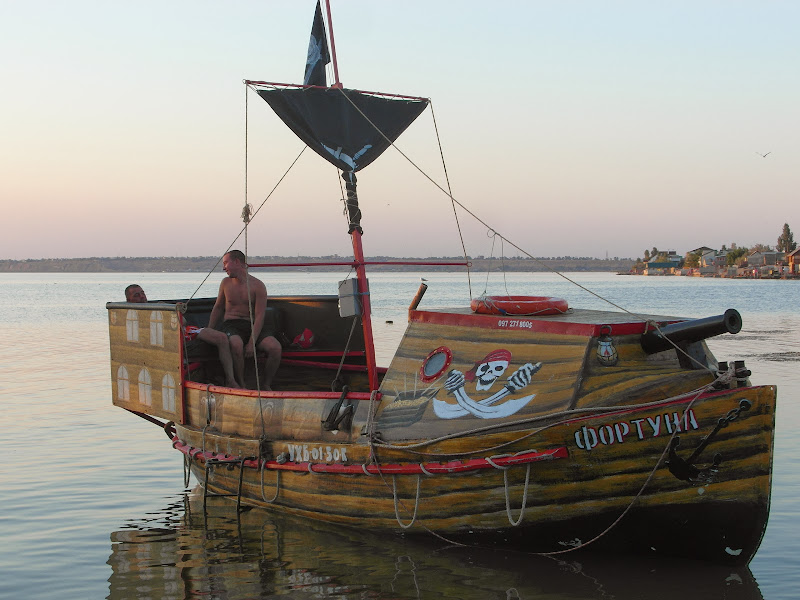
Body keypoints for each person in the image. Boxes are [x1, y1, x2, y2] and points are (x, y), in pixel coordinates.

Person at [124, 284, 239, 388]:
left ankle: (231, 379)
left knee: (222, 338)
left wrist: (175, 312)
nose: (142, 297)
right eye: (137, 295)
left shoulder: (158, 306)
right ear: (129, 300)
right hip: (168, 338)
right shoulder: (130, 315)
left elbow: (183, 321)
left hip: (186, 332)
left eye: (142, 293)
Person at [208, 250, 282, 390]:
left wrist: (251, 343)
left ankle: (266, 384)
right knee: (236, 344)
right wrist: (209, 330)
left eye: (225, 263)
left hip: (253, 325)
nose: (224, 268)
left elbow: (260, 316)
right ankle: (241, 384)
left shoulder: (258, 286)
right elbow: (218, 308)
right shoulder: (225, 283)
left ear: (237, 262)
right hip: (232, 325)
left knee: (275, 348)